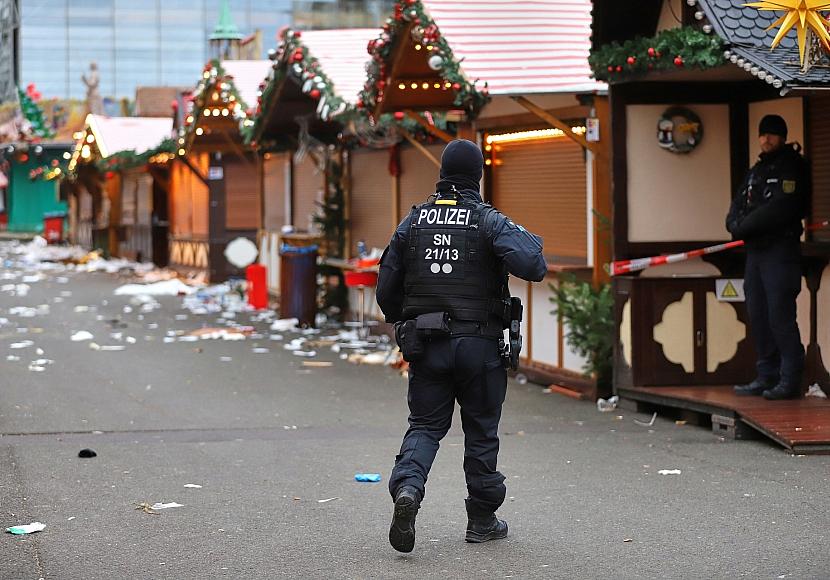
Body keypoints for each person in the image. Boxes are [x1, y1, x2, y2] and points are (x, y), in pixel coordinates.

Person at [376, 139, 547, 553]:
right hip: (480, 346)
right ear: (478, 175)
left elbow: (386, 289)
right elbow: (534, 265)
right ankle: (482, 520)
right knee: (481, 431)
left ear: (442, 173)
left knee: (426, 426)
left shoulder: (413, 222)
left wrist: (408, 320)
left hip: (426, 344)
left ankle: (409, 491)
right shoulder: (486, 220)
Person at [727, 114, 810, 401]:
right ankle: (766, 375)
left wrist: (744, 227)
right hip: (756, 253)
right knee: (758, 314)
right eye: (763, 135)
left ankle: (790, 378)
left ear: (782, 136)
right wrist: (734, 224)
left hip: (780, 251)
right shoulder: (757, 170)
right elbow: (738, 203)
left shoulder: (793, 167)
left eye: (772, 134)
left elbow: (781, 208)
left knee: (780, 316)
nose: (766, 139)